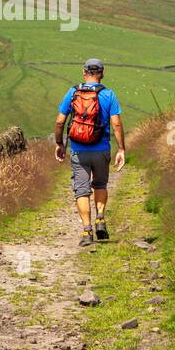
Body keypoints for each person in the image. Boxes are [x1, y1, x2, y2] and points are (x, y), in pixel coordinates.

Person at [54, 58, 126, 247]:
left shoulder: (73, 93)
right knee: (100, 184)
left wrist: (59, 144)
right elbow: (116, 124)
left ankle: (87, 232)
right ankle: (100, 218)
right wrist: (121, 149)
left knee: (82, 191)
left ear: (84, 72)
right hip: (101, 149)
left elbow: (60, 121)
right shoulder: (108, 95)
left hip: (79, 151)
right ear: (102, 73)